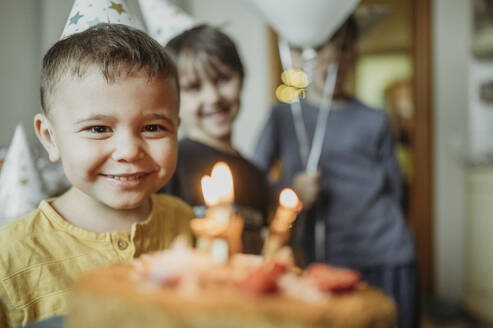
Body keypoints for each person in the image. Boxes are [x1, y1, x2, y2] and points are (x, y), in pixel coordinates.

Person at [0, 23, 194, 327]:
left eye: (153, 127)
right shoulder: (9, 258)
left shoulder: (187, 225)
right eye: (99, 129)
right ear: (50, 138)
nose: (129, 151)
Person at [252, 17, 418, 328]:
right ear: (302, 56)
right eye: (320, 49)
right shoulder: (283, 117)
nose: (332, 59)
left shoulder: (375, 120)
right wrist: (290, 191)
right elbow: (253, 183)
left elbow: (396, 190)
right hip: (322, 258)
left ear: (354, 53)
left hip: (385, 254)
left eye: (342, 48)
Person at [160, 25, 272, 255]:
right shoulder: (170, 164)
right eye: (193, 87)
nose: (213, 97)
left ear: (241, 78)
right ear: (173, 97)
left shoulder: (257, 175)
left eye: (223, 79)